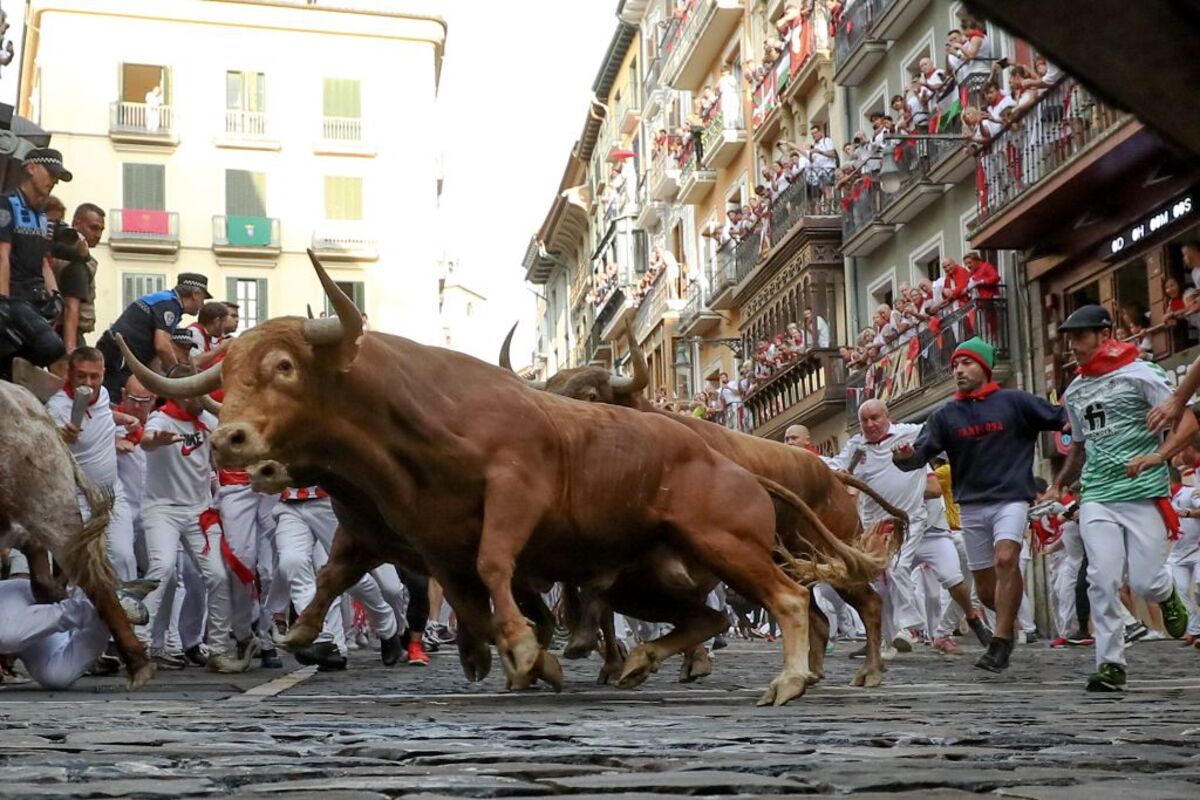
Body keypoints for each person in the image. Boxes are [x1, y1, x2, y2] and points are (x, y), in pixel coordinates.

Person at [892, 337, 1067, 673]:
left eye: (967, 363)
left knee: (1006, 559)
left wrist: (1076, 416)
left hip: (1011, 499)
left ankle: (1000, 642)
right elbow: (918, 458)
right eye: (956, 364)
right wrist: (903, 458)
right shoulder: (945, 416)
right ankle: (1006, 622)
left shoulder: (1015, 402)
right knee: (986, 592)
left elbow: (1062, 418)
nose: (959, 369)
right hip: (971, 506)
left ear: (986, 367)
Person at [1057, 305, 1191, 690]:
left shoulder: (1141, 373)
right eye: (1069, 338)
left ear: (1104, 333)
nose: (1073, 345)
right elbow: (1079, 448)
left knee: (1147, 582)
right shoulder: (1075, 389)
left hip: (1143, 491)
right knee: (1101, 577)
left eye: (1080, 336)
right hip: (1097, 493)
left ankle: (1166, 595)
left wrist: (1159, 456)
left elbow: (1187, 421)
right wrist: (1062, 483)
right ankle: (1110, 665)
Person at [138, 367, 248, 673]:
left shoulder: (209, 421)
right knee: (162, 568)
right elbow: (147, 440)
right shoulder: (161, 418)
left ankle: (219, 650)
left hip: (199, 512)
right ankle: (139, 645)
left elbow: (227, 447)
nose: (201, 395)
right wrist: (155, 440)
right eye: (193, 389)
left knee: (217, 575)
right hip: (162, 509)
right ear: (177, 392)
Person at [45, 348, 141, 582]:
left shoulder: (104, 394)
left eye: (94, 376)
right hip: (78, 501)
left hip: (112, 494)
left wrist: (121, 418)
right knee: (87, 569)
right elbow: (45, 450)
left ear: (103, 374)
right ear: (69, 373)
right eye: (81, 376)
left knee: (124, 558)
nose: (88, 383)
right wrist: (59, 437)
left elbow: (101, 413)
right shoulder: (56, 408)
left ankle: (126, 614)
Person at [0, 578, 154, 690]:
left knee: (6, 637)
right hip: (20, 635)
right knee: (56, 677)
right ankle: (110, 608)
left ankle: (95, 604)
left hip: (11, 599)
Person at [96, 273, 211, 402]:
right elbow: (162, 346)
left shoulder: (166, 300)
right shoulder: (171, 305)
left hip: (120, 352)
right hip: (120, 355)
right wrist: (176, 375)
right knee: (112, 399)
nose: (202, 304)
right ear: (195, 294)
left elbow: (155, 355)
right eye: (203, 298)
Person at [0, 148, 72, 303]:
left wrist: (56, 297)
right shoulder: (6, 204)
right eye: (51, 174)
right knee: (41, 329)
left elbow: (43, 261)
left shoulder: (42, 216)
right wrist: (3, 302)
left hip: (35, 298)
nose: (55, 181)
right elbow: (2, 255)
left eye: (57, 177)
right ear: (32, 168)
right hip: (14, 296)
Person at [54, 204, 106, 350]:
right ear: (77, 223)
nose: (98, 235)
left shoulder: (66, 256)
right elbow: (71, 307)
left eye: (101, 230)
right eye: (94, 228)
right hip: (66, 332)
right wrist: (70, 350)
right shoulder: (76, 263)